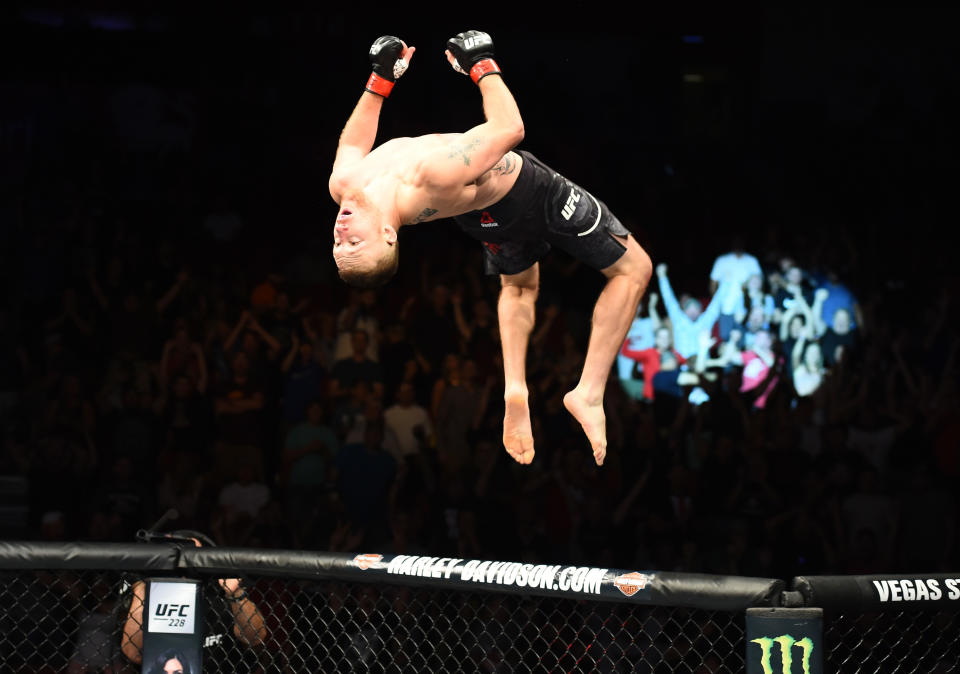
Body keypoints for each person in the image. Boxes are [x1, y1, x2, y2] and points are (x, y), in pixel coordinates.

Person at [328, 31, 653, 466]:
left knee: (519, 287)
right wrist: (482, 65)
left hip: (481, 216)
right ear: (389, 233)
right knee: (634, 270)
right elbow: (510, 128)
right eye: (354, 242)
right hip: (530, 194)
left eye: (339, 242)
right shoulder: (431, 175)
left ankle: (514, 388)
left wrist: (380, 80)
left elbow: (352, 145)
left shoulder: (344, 187)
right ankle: (589, 392)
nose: (342, 229)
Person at [120, 531, 267, 670]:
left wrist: (235, 594)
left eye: (195, 555)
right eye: (183, 555)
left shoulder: (218, 590)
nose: (188, 564)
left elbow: (256, 639)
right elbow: (133, 653)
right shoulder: (156, 594)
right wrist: (142, 589)